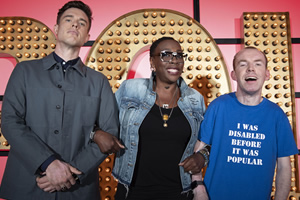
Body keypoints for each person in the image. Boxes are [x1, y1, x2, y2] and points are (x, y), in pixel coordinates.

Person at [0, 1, 123, 199]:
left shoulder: (98, 82)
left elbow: (110, 133)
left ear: (87, 37)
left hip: (78, 190)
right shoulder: (24, 71)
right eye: (69, 19)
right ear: (56, 28)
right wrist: (47, 163)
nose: (75, 25)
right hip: (27, 185)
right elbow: (9, 122)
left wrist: (70, 171)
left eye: (82, 23)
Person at [192, 47, 298, 200]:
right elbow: (198, 151)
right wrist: (198, 189)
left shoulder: (277, 116)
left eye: (258, 64)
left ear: (267, 74)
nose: (250, 69)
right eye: (243, 64)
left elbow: (284, 167)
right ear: (234, 75)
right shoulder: (218, 106)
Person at [112, 36, 207, 200]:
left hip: (180, 194)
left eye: (179, 55)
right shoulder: (130, 89)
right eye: (166, 54)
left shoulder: (195, 99)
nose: (174, 60)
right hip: (132, 193)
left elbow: (209, 143)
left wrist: (202, 157)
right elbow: (104, 124)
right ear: (152, 62)